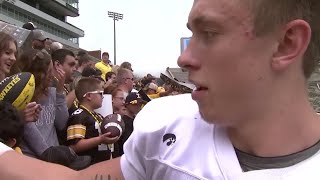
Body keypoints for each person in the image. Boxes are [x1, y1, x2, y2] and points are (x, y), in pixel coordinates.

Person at [1, 0, 320, 179]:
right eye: (192, 34)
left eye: (209, 33)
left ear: (286, 44)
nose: (184, 57)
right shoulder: (169, 127)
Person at [18, 50, 69, 158]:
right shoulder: (22, 97)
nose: (52, 75)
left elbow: (62, 123)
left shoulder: (52, 92)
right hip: (33, 160)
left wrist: (60, 91)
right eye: (49, 71)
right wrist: (52, 157)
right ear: (39, 74)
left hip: (53, 156)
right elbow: (30, 134)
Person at [66, 77, 119, 164]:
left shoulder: (98, 115)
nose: (103, 97)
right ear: (89, 96)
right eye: (100, 94)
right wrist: (100, 139)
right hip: (88, 166)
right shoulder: (78, 116)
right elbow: (75, 146)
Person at [0, 32, 41, 123]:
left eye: (14, 54)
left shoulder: (12, 82)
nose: (13, 58)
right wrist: (18, 117)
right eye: (8, 53)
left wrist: (25, 116)